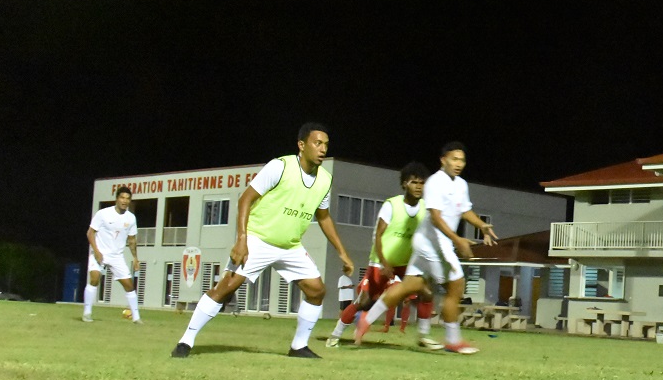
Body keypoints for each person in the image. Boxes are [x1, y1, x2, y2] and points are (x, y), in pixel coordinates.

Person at [171, 123, 355, 359]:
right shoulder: (280, 166)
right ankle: (185, 341)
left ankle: (299, 347)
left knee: (317, 290)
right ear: (301, 145)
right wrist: (242, 240)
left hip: (290, 246)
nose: (323, 149)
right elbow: (245, 199)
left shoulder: (325, 180)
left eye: (326, 145)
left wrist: (342, 252)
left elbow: (323, 217)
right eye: (317, 143)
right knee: (225, 288)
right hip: (258, 239)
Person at [355, 142, 497, 354]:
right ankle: (453, 340)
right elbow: (436, 218)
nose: (458, 164)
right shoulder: (435, 183)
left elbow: (465, 211)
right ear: (443, 160)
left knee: (409, 285)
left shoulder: (461, 184)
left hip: (430, 242)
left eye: (462, 160)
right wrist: (457, 239)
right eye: (454, 159)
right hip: (433, 244)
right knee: (456, 286)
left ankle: (366, 319)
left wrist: (481, 225)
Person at [325, 162, 441, 350]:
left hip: (406, 264)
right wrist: (385, 263)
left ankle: (423, 336)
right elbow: (377, 235)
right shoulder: (392, 205)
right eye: (414, 182)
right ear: (404, 184)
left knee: (426, 293)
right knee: (364, 302)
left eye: (422, 183)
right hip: (380, 262)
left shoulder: (424, 208)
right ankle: (335, 335)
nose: (419, 187)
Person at [83, 186, 142, 323]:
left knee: (129, 285)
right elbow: (90, 233)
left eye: (127, 199)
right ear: (116, 199)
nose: (124, 201)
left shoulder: (131, 218)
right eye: (122, 198)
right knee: (95, 278)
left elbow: (132, 240)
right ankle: (87, 313)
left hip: (117, 256)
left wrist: (135, 258)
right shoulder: (103, 214)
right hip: (99, 253)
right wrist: (96, 252)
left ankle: (136, 318)